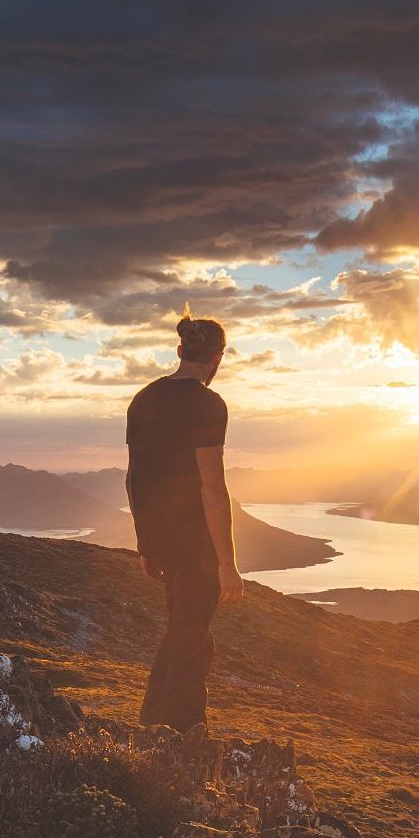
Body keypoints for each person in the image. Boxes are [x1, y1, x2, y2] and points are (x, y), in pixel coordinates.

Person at [125, 310, 244, 732]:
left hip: (163, 542)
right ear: (218, 357)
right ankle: (183, 736)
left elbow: (135, 478)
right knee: (193, 642)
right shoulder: (208, 405)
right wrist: (226, 563)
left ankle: (152, 727)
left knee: (182, 632)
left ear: (180, 350)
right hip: (196, 546)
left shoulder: (143, 399)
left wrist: (147, 545)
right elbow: (212, 489)